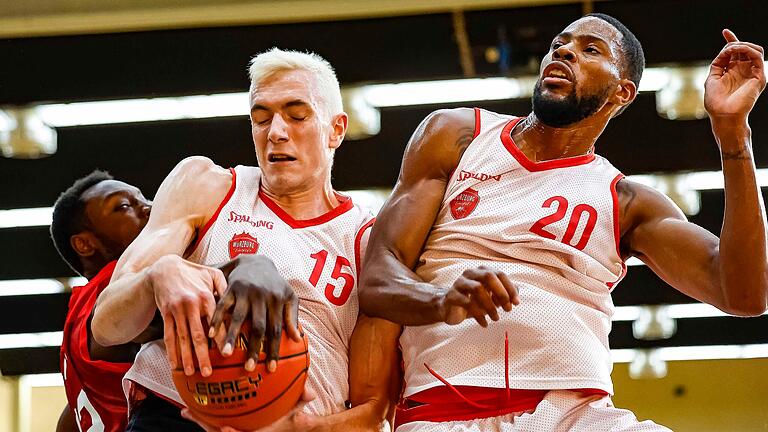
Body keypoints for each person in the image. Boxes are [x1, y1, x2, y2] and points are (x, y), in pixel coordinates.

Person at [360, 13, 766, 431]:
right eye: (560, 44)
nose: (565, 51)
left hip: (574, 415)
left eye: (591, 49)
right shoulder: (457, 135)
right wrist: (441, 300)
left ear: (622, 92)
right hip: (443, 410)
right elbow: (377, 279)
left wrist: (734, 136)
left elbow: (744, 295)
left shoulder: (627, 202)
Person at [90, 48, 401, 431]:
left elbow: (376, 413)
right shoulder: (208, 185)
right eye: (261, 118)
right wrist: (160, 273)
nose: (277, 132)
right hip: (180, 415)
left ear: (336, 129)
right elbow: (105, 324)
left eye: (297, 114)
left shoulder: (369, 238)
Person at [51, 170, 154, 432]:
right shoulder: (114, 285)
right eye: (122, 206)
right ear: (85, 244)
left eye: (144, 198)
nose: (149, 207)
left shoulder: (78, 316)